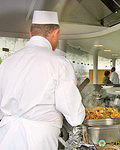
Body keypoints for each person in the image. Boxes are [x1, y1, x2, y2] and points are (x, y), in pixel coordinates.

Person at [0, 10, 85, 150]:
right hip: (39, 140)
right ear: (55, 33)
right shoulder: (59, 63)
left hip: (6, 137)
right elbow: (74, 114)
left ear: (30, 33)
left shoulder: (7, 62)